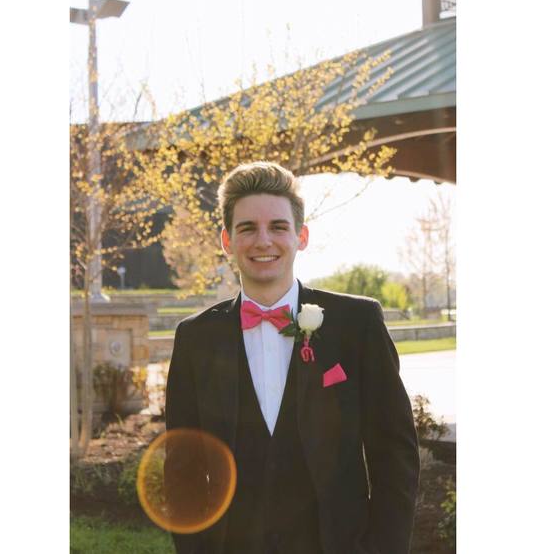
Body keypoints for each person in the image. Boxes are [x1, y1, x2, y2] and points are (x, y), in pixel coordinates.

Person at [165, 161, 420, 554]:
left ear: (301, 236)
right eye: (247, 228)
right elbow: (183, 469)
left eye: (278, 227)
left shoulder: (357, 324)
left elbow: (394, 453)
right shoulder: (195, 338)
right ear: (227, 240)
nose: (263, 240)